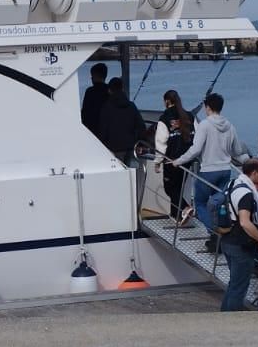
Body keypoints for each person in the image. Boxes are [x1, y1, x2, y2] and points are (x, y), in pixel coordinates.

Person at [174, 92, 249, 250]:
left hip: (208, 171)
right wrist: (248, 162)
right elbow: (236, 151)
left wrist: (178, 161)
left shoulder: (205, 125)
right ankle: (223, 232)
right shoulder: (230, 125)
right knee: (219, 205)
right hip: (225, 171)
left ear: (207, 107)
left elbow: (195, 150)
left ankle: (215, 234)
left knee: (200, 203)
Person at [219, 159, 258, 311]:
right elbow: (245, 222)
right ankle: (232, 320)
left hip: (227, 240)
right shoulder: (246, 194)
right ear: (253, 173)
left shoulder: (232, 184)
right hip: (240, 245)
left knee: (234, 283)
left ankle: (224, 314)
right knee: (239, 286)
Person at [152, 88, 195, 219]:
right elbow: (196, 137)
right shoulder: (189, 116)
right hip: (187, 159)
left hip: (171, 160)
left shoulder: (164, 119)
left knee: (169, 188)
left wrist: (157, 161)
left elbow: (161, 142)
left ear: (166, 101)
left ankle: (186, 207)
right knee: (178, 187)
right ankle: (176, 215)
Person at [96, 76, 144, 165]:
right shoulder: (131, 106)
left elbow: (103, 130)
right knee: (131, 176)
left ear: (109, 90)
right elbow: (141, 126)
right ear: (122, 88)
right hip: (130, 147)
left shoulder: (106, 108)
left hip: (113, 149)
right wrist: (140, 144)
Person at [80, 62, 110, 138]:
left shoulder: (90, 91)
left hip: (93, 132)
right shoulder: (110, 90)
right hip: (108, 132)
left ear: (95, 76)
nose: (91, 78)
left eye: (92, 75)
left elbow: (84, 114)